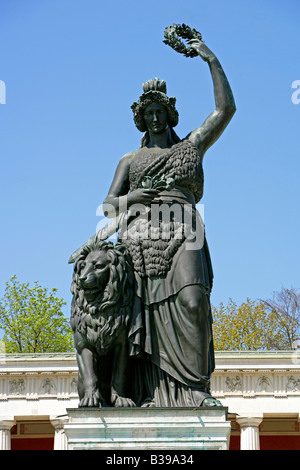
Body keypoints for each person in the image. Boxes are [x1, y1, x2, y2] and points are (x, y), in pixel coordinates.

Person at [102, 38, 236, 407]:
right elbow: (108, 206)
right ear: (141, 119)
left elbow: (226, 109)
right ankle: (146, 391)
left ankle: (194, 388)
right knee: (141, 312)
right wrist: (133, 198)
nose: (155, 118)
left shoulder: (191, 145)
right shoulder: (130, 159)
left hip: (185, 227)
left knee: (193, 301)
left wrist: (210, 57)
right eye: (148, 114)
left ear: (169, 113)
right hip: (141, 237)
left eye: (160, 111)